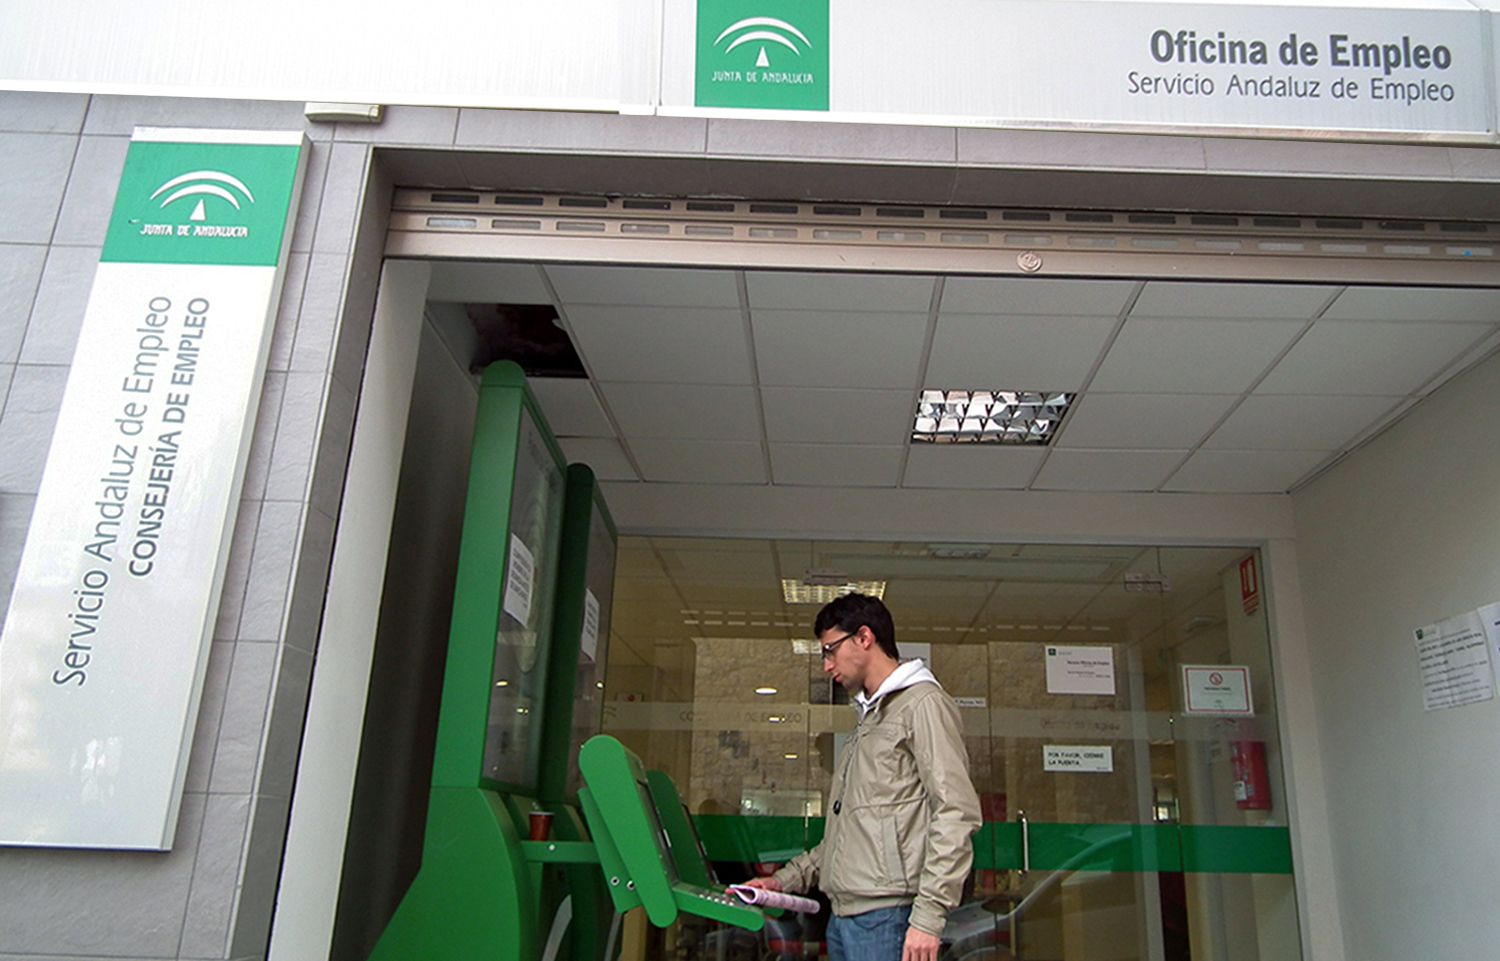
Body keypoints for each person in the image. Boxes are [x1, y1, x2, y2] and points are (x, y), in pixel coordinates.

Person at [745, 593, 981, 961]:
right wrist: (783, 882)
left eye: (830, 650)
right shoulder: (871, 716)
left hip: (890, 918)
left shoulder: (922, 704)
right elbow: (848, 835)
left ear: (864, 638)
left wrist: (929, 918)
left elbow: (956, 813)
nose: (827, 666)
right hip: (845, 917)